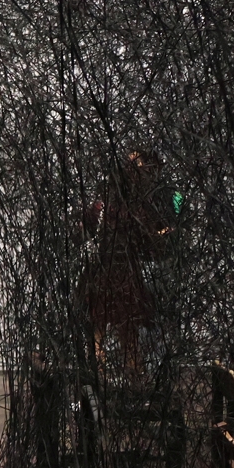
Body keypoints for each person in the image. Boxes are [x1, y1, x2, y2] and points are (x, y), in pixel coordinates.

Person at [78, 150, 172, 375]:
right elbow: (146, 241)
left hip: (113, 272)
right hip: (114, 272)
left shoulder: (120, 202)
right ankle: (115, 375)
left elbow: (145, 241)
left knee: (117, 330)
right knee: (113, 329)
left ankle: (112, 375)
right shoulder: (126, 204)